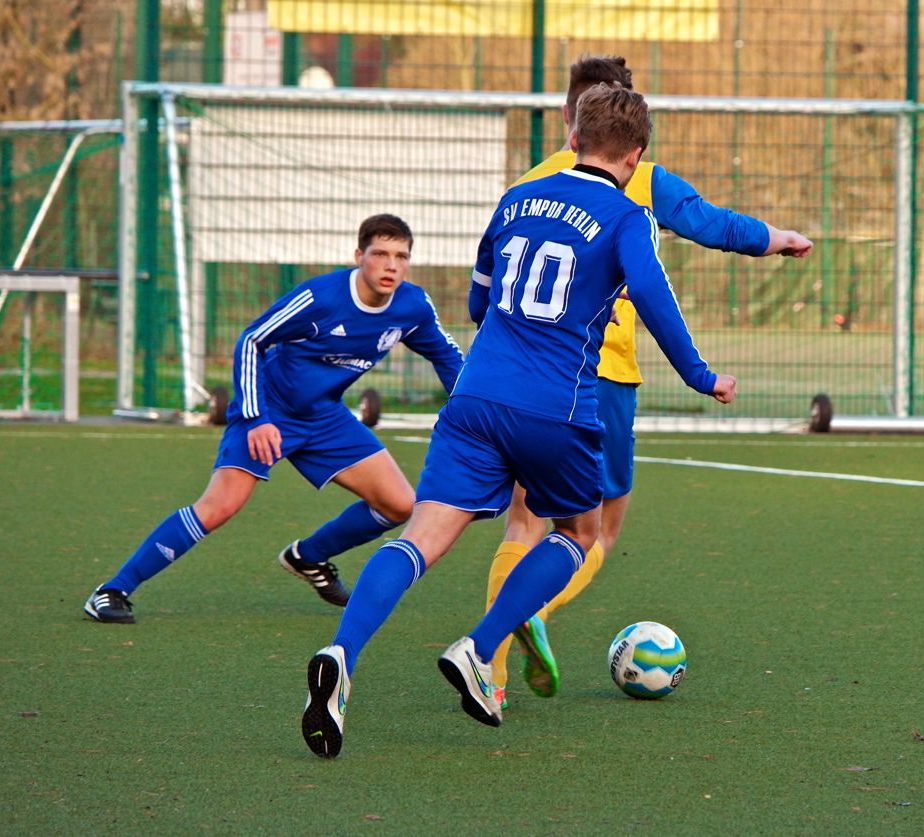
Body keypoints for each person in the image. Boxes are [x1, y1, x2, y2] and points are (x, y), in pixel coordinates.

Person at [300, 83, 736, 758]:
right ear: (637, 155)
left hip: (475, 396)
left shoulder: (516, 200)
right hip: (556, 407)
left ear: (574, 138)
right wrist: (699, 374)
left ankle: (341, 653)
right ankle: (479, 647)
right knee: (580, 532)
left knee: (422, 536)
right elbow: (652, 294)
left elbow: (479, 303)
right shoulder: (629, 217)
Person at [482, 55, 813, 708]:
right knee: (599, 530)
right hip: (600, 376)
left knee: (522, 522)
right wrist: (778, 238)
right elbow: (710, 224)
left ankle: (489, 674)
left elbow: (491, 283)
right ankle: (533, 610)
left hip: (516, 375)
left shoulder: (526, 185)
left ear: (568, 118)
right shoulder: (642, 182)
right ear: (629, 132)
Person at [83, 214, 463, 624]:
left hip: (325, 415)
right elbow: (252, 339)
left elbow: (447, 357)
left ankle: (309, 557)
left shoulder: (412, 306)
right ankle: (112, 590)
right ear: (359, 256)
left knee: (399, 504)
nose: (391, 265)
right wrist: (255, 417)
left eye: (401, 256)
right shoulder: (321, 297)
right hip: (270, 409)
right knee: (219, 506)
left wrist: (472, 410)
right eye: (380, 254)